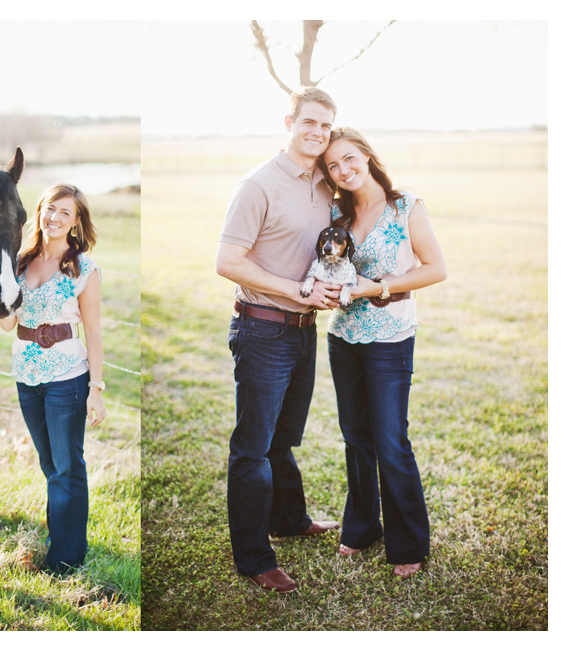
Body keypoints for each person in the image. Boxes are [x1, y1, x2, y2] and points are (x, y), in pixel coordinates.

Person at [215, 87, 343, 594]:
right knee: (252, 448)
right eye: (309, 122)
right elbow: (227, 262)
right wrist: (297, 290)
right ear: (288, 121)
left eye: (326, 126)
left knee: (283, 439)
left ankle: (288, 519)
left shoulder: (325, 183)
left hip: (304, 332)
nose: (317, 133)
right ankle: (253, 557)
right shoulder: (258, 185)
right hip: (263, 328)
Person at [319, 127, 447, 579]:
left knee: (391, 441)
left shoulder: (405, 206)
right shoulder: (336, 212)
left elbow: (436, 268)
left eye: (349, 158)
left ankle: (408, 540)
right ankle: (361, 526)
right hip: (343, 336)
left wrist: (381, 287)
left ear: (368, 156)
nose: (343, 170)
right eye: (333, 165)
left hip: (391, 337)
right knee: (356, 436)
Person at [0, 183, 106, 574]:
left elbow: (93, 333)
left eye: (65, 214)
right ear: (39, 211)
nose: (55, 218)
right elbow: (9, 324)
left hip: (68, 378)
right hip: (26, 376)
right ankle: (63, 537)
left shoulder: (83, 269)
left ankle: (66, 558)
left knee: (67, 466)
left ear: (76, 223)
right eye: (51, 209)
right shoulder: (20, 263)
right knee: (49, 464)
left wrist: (96, 389)